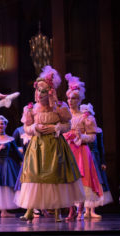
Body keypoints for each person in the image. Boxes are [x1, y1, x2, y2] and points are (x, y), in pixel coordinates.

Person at [14, 66, 85, 223]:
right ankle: (30, 210)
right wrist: (34, 128)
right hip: (37, 146)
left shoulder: (59, 108)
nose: (40, 94)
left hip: (54, 145)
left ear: (51, 92)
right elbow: (26, 127)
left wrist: (56, 127)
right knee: (34, 176)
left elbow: (68, 124)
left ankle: (58, 211)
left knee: (55, 176)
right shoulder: (31, 109)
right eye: (38, 91)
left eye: (44, 91)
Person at [63, 74, 103, 220]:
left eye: (73, 98)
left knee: (81, 179)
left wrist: (81, 136)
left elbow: (93, 136)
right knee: (68, 179)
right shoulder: (65, 116)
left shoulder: (85, 117)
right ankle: (70, 210)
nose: (70, 101)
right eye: (68, 98)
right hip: (68, 149)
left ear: (79, 100)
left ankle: (80, 209)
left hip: (80, 150)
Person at [81, 104, 113, 210]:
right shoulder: (80, 132)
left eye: (88, 114)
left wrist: (103, 162)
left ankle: (93, 209)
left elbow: (101, 146)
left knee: (95, 182)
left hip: (94, 158)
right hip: (83, 158)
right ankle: (84, 210)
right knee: (84, 183)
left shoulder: (97, 131)